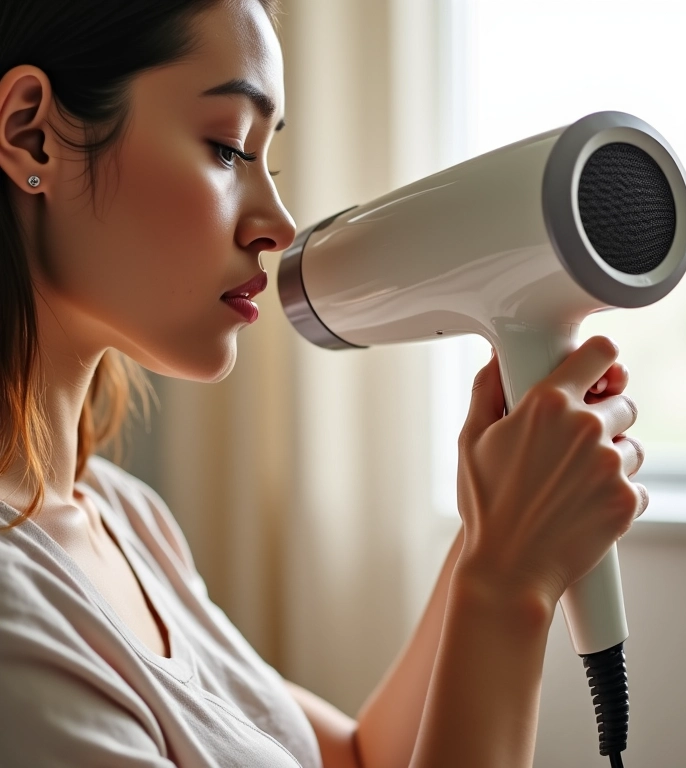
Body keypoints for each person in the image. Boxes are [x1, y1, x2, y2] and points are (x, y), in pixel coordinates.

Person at [0, 0, 647, 765]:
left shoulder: (125, 519)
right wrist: (508, 585)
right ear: (32, 132)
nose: (279, 223)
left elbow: (358, 757)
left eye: (269, 162)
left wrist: (498, 520)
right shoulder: (16, 611)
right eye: (227, 149)